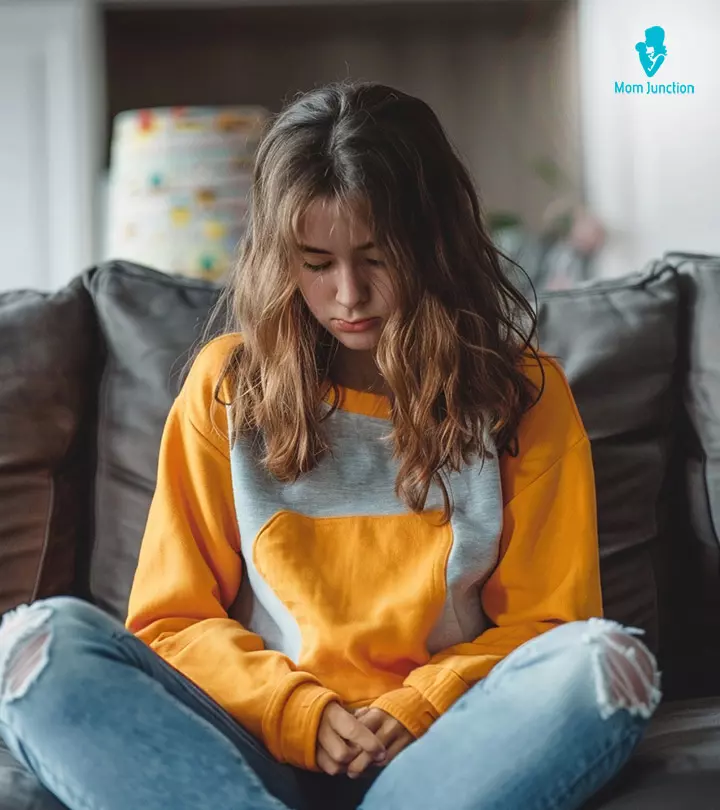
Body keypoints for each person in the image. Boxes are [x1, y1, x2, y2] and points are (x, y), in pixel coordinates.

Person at [0, 80, 661, 810]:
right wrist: (297, 712)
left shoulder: (524, 393)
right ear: (282, 261)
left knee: (606, 664)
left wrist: (417, 705)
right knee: (35, 644)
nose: (349, 294)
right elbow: (172, 622)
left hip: (447, 749)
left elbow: (551, 627)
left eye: (377, 258)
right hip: (250, 746)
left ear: (434, 244)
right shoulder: (225, 386)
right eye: (316, 263)